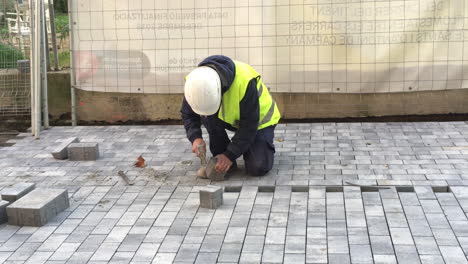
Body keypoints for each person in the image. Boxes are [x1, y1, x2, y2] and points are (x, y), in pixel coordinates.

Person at [181, 55, 281, 176]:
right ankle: (223, 157)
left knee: (258, 167)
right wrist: (195, 137)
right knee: (208, 116)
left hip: (260, 121)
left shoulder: (244, 81)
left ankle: (246, 149)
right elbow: (188, 114)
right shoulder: (195, 84)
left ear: (219, 90)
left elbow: (249, 125)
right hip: (233, 118)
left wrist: (230, 155)